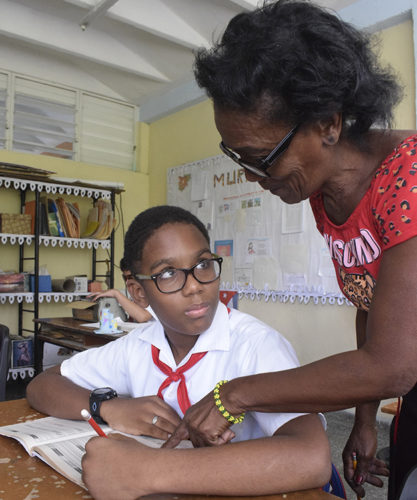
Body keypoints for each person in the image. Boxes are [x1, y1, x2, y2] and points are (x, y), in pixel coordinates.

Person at [163, 2, 417, 499]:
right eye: (237, 157)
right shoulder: (324, 194)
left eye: (262, 158)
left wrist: (236, 393)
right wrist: (365, 421)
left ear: (328, 123)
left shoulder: (408, 178)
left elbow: (392, 365)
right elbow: (371, 302)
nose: (252, 177)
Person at [26, 205, 330, 500]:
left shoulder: (257, 345)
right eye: (168, 273)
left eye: (203, 265)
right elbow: (42, 385)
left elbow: (312, 458)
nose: (194, 286)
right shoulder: (138, 345)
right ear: (138, 292)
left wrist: (149, 470)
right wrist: (108, 408)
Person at [87, 258, 153, 323]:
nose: (128, 281)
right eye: (125, 278)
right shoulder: (132, 291)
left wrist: (115, 293)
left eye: (131, 277)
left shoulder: (154, 290)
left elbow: (143, 317)